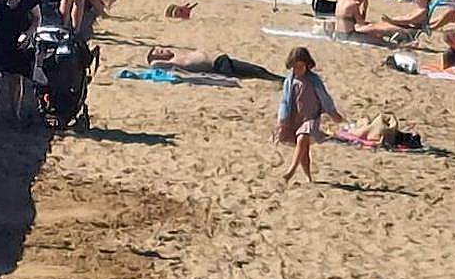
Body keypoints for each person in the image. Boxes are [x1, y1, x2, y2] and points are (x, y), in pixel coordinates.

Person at [276, 47, 343, 183]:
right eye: (294, 67)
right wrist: (282, 119)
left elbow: (325, 98)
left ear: (307, 65)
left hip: (311, 117)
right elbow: (284, 101)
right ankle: (308, 177)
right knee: (303, 149)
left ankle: (291, 171)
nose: (297, 70)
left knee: (302, 139)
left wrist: (332, 113)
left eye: (300, 66)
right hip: (295, 117)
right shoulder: (289, 81)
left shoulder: (314, 80)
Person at [147, 47, 281, 80]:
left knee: (258, 70)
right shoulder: (169, 64)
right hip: (219, 66)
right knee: (256, 72)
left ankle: (281, 79)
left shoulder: (177, 58)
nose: (165, 50)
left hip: (222, 61)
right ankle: (282, 80)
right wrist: (153, 58)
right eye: (160, 51)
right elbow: (153, 65)